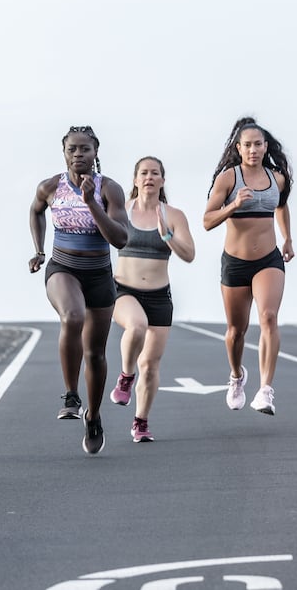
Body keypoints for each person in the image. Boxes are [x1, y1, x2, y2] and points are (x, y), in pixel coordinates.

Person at [29, 125, 128, 454]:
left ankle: (94, 415)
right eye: (72, 149)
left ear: (96, 151)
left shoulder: (108, 189)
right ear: (64, 152)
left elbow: (121, 239)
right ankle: (71, 394)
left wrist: (91, 203)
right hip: (63, 268)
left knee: (96, 355)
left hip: (99, 274)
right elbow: (35, 211)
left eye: (84, 149)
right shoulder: (49, 187)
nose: (78, 155)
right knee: (72, 316)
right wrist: (39, 251)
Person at [203, 117, 294, 415]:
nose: (253, 150)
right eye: (247, 145)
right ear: (238, 148)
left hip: (268, 259)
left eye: (258, 144)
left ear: (265, 146)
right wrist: (232, 206)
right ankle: (237, 376)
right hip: (236, 263)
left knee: (268, 317)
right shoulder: (228, 178)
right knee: (235, 332)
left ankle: (266, 391)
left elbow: (280, 205)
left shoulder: (277, 178)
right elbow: (206, 221)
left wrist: (287, 239)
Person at [107, 156, 195, 442]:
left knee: (151, 365)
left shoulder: (174, 215)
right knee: (136, 326)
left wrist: (167, 235)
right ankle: (125, 376)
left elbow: (189, 255)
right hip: (123, 290)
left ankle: (140, 422)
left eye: (154, 173)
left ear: (162, 180)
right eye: (143, 173)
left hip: (160, 295)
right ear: (135, 179)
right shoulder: (121, 211)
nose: (149, 177)